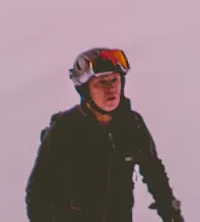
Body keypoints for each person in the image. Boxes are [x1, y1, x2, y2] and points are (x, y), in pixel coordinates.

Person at [25, 47, 185, 222]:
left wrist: (172, 215)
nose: (111, 88)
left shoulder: (132, 125)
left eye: (115, 80)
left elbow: (155, 175)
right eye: (102, 82)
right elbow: (37, 194)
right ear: (86, 90)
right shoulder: (64, 129)